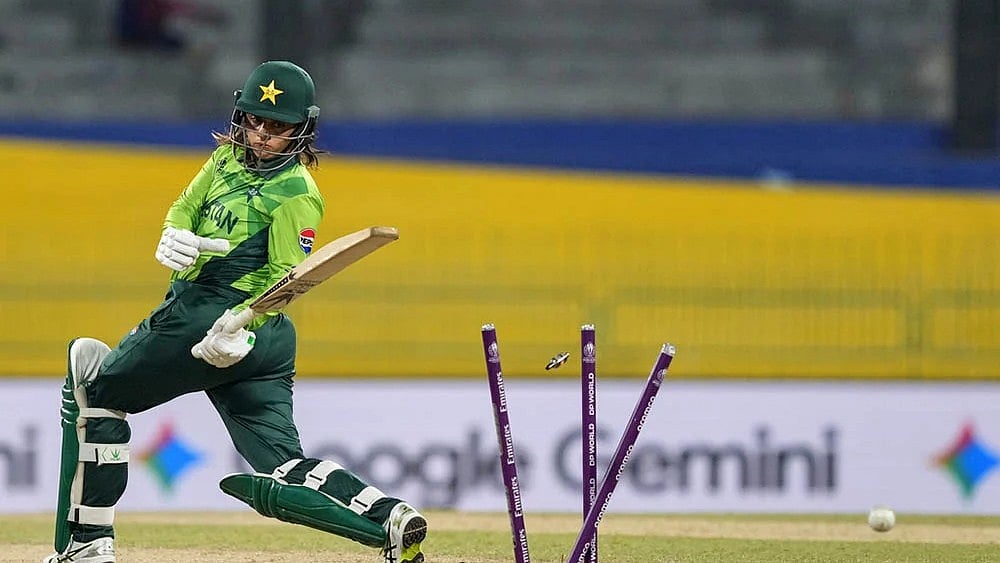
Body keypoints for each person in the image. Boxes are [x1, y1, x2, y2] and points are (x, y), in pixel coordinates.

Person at [44, 60, 427, 563]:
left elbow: (289, 277)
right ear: (240, 115)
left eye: (278, 126)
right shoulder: (224, 158)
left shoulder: (298, 193)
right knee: (282, 465)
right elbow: (186, 203)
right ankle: (387, 520)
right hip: (259, 343)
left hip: (218, 319)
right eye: (254, 121)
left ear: (302, 130)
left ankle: (86, 545)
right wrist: (174, 232)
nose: (262, 135)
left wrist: (238, 321)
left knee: (94, 390)